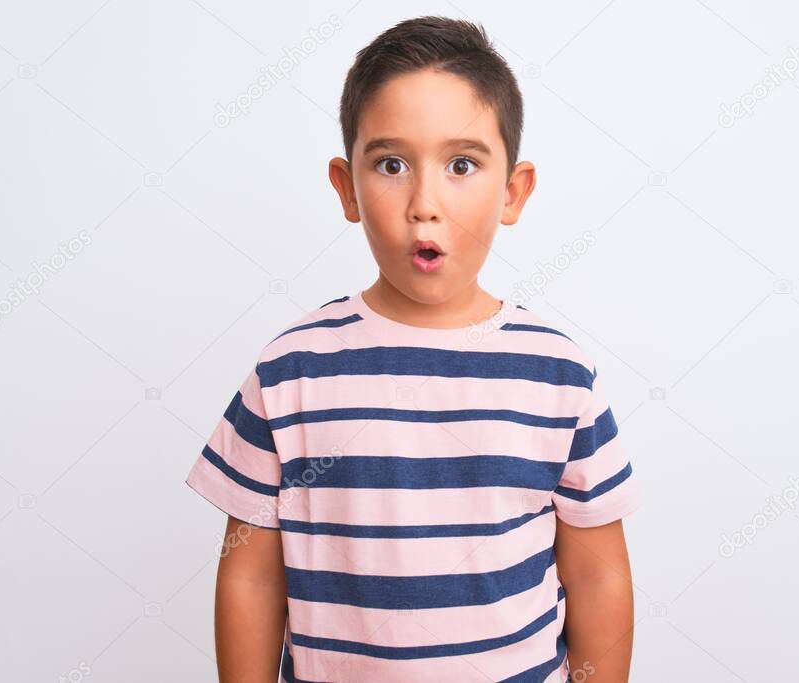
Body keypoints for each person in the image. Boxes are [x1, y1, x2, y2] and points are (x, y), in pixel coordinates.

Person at [185, 15, 640, 682]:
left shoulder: (558, 374)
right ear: (347, 188)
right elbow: (251, 576)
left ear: (513, 191)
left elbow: (598, 573)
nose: (424, 203)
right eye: (392, 164)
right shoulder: (291, 370)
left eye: (462, 164)